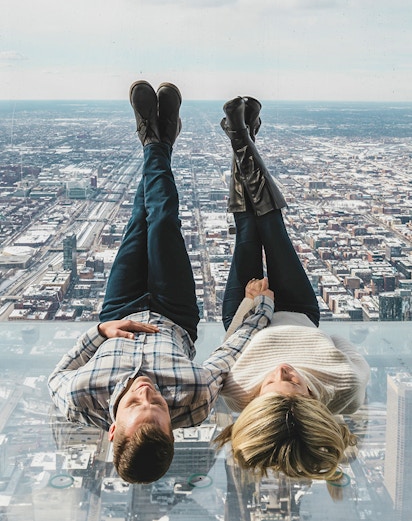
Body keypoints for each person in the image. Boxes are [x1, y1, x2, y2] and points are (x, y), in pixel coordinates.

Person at [48, 81, 274, 485]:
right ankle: (155, 140)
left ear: (113, 428)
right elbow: (229, 351)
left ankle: (159, 139)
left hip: (119, 309)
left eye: (137, 401)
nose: (148, 391)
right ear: (174, 427)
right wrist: (262, 308)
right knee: (164, 220)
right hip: (174, 312)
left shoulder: (80, 398)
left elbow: (57, 376)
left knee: (140, 219)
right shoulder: (196, 400)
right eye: (161, 407)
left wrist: (101, 331)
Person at [215, 96, 370, 481]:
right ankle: (240, 136)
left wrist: (252, 306)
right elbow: (336, 340)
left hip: (247, 308)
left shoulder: (235, 393)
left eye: (271, 383)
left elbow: (231, 343)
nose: (283, 370)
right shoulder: (345, 386)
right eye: (296, 384)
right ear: (315, 405)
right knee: (273, 228)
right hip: (300, 310)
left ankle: (243, 136)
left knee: (247, 232)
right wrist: (304, 336)